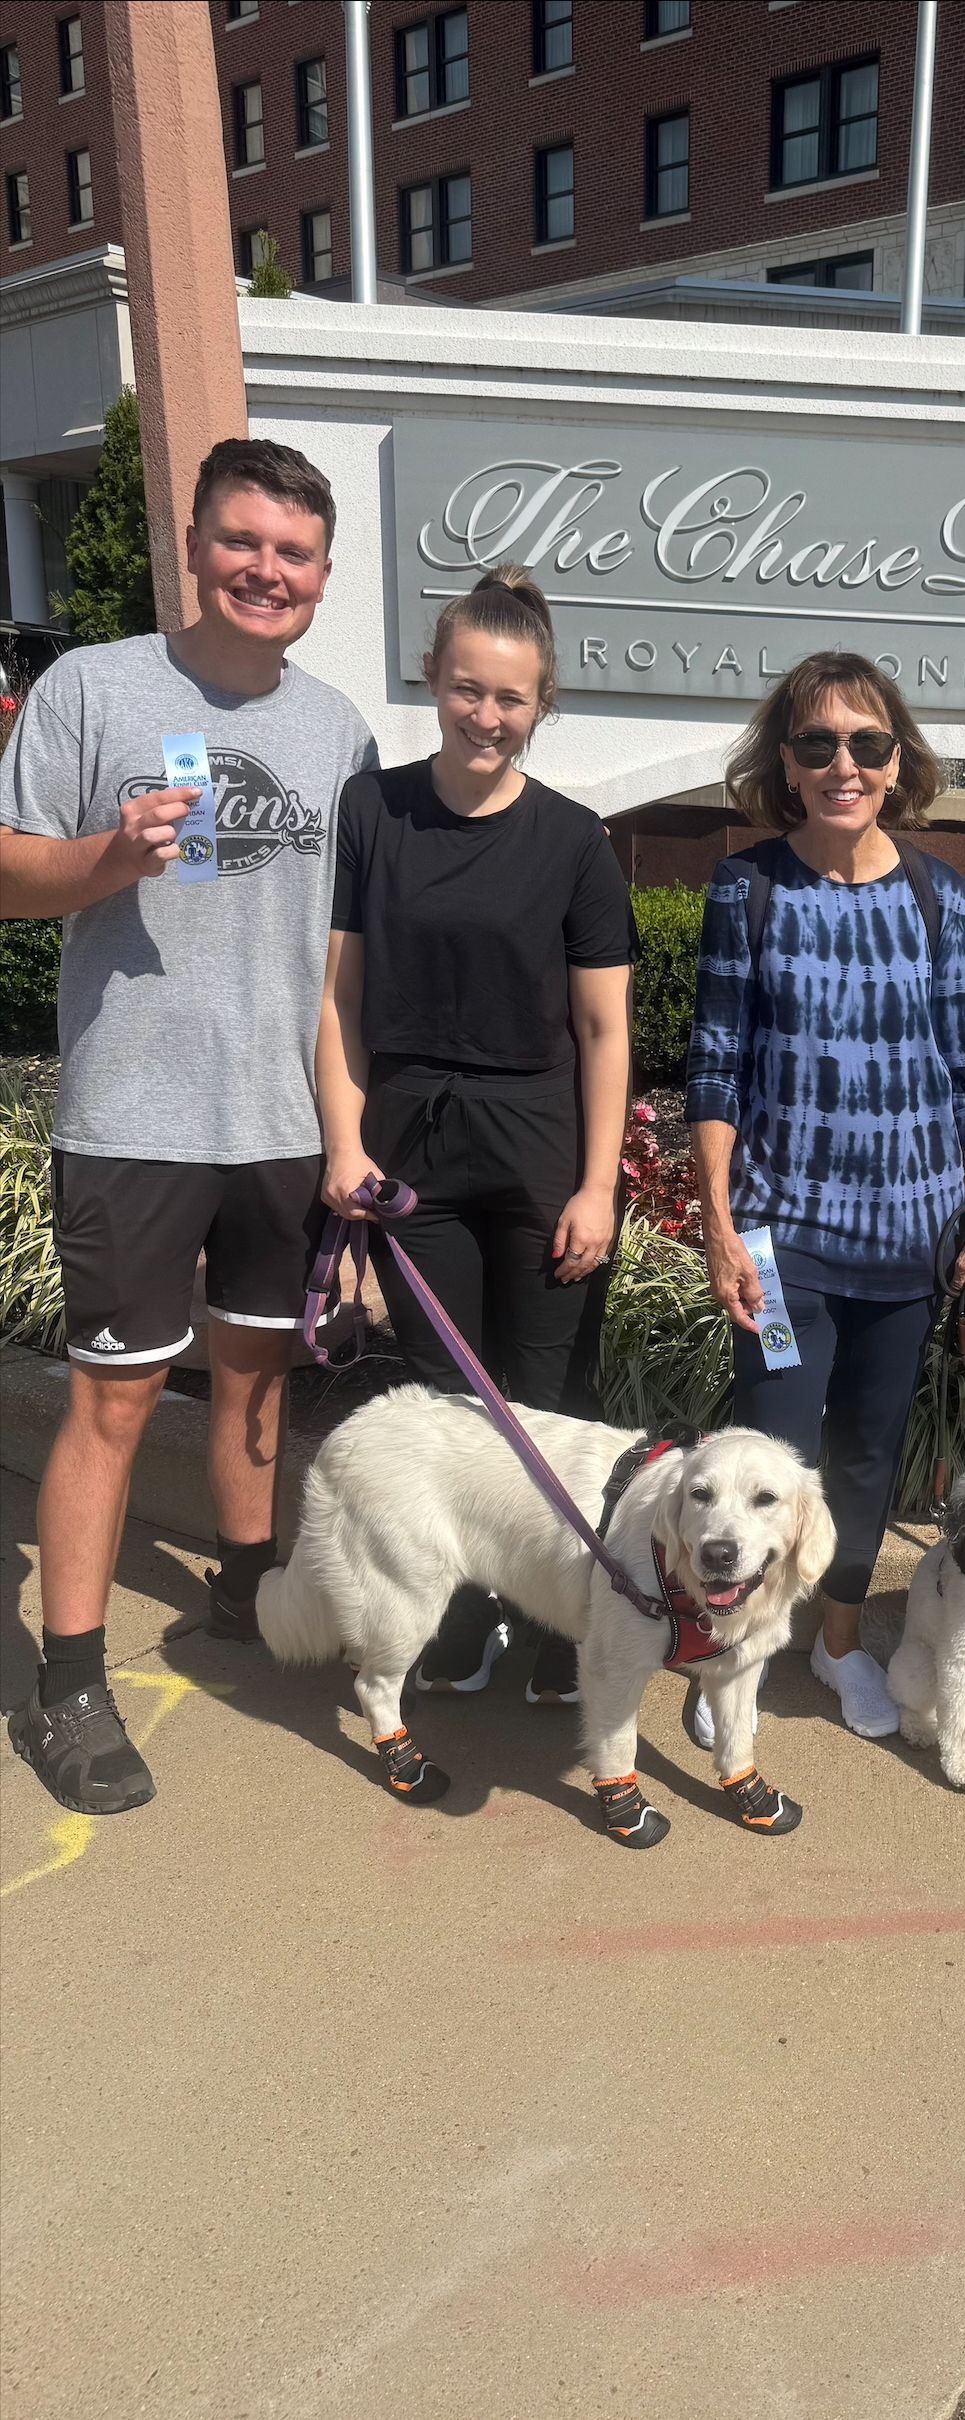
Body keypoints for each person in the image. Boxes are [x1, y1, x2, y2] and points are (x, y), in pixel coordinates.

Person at [0, 437, 377, 1814]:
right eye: (242, 542)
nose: (264, 570)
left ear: (322, 578)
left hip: (284, 1120)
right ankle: (74, 1681)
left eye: (291, 553)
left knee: (260, 1378)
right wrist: (112, 856)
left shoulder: (338, 730)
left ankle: (244, 1587)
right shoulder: (94, 687)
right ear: (195, 544)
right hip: (137, 1114)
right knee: (111, 1401)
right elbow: (7, 873)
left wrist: (350, 1123)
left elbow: (345, 947)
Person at [315, 567, 636, 1703]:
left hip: (540, 1148)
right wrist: (343, 1145)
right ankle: (454, 1614)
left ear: (541, 704)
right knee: (446, 1401)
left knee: (551, 1399)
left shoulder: (576, 841)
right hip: (413, 1152)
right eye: (466, 690)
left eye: (510, 698)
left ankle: (561, 1623)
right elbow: (340, 999)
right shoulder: (374, 812)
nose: (486, 716)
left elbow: (604, 1029)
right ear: (434, 682)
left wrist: (599, 1184)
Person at [687, 651, 965, 1740]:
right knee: (764, 1460)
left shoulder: (936, 893)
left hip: (908, 1242)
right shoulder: (749, 887)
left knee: (867, 1456)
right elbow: (717, 1063)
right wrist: (722, 1226)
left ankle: (834, 1647)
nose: (843, 764)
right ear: (785, 761)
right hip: (784, 1247)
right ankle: (730, 1658)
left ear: (896, 759)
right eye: (817, 742)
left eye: (867, 744)